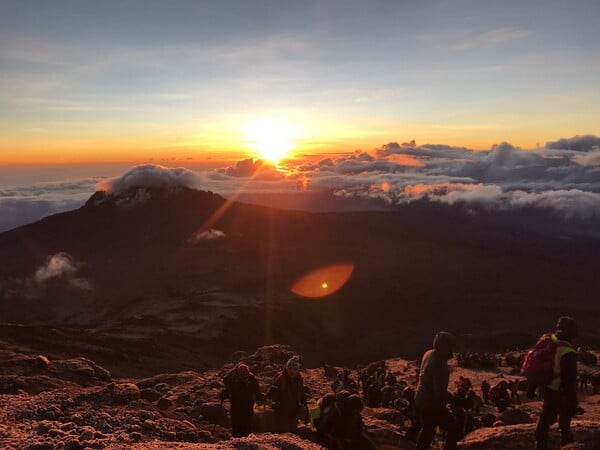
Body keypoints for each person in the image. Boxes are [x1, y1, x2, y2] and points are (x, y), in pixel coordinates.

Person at [532, 317, 579, 450]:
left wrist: (532, 385)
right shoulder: (567, 350)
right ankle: (568, 446)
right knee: (564, 424)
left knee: (544, 420)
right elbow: (569, 378)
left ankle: (540, 446)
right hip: (561, 390)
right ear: (569, 330)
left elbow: (539, 364)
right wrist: (572, 399)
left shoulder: (548, 341)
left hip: (546, 387)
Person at [414, 331, 461, 450]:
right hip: (431, 402)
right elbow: (440, 393)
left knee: (428, 429)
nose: (452, 350)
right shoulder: (440, 365)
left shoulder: (429, 353)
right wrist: (458, 401)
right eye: (450, 346)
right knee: (453, 428)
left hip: (420, 398)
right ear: (444, 347)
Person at [220, 364, 263, 437]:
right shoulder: (233, 381)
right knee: (236, 427)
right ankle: (236, 441)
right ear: (239, 376)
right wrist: (223, 395)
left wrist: (260, 399)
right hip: (236, 407)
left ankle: (246, 441)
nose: (245, 379)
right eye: (243, 378)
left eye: (246, 377)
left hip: (248, 406)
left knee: (247, 426)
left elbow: (257, 391)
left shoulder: (252, 380)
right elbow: (227, 391)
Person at [268, 356, 308, 433]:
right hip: (281, 411)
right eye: (290, 369)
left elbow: (302, 396)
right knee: (282, 432)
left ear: (298, 370)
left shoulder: (299, 380)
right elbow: (271, 392)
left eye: (295, 369)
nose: (292, 371)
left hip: (294, 411)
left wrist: (306, 414)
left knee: (292, 431)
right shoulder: (281, 378)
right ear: (287, 368)